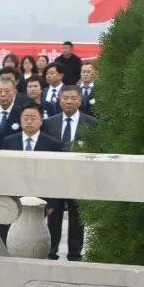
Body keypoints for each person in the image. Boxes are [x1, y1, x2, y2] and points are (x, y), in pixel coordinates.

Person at [42, 85, 97, 260]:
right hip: (56, 178)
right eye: (65, 98)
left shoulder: (91, 123)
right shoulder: (50, 122)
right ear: (59, 100)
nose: (69, 101)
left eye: (73, 98)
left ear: (80, 100)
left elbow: (97, 150)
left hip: (79, 178)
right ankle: (51, 251)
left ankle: (74, 254)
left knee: (77, 218)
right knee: (53, 216)